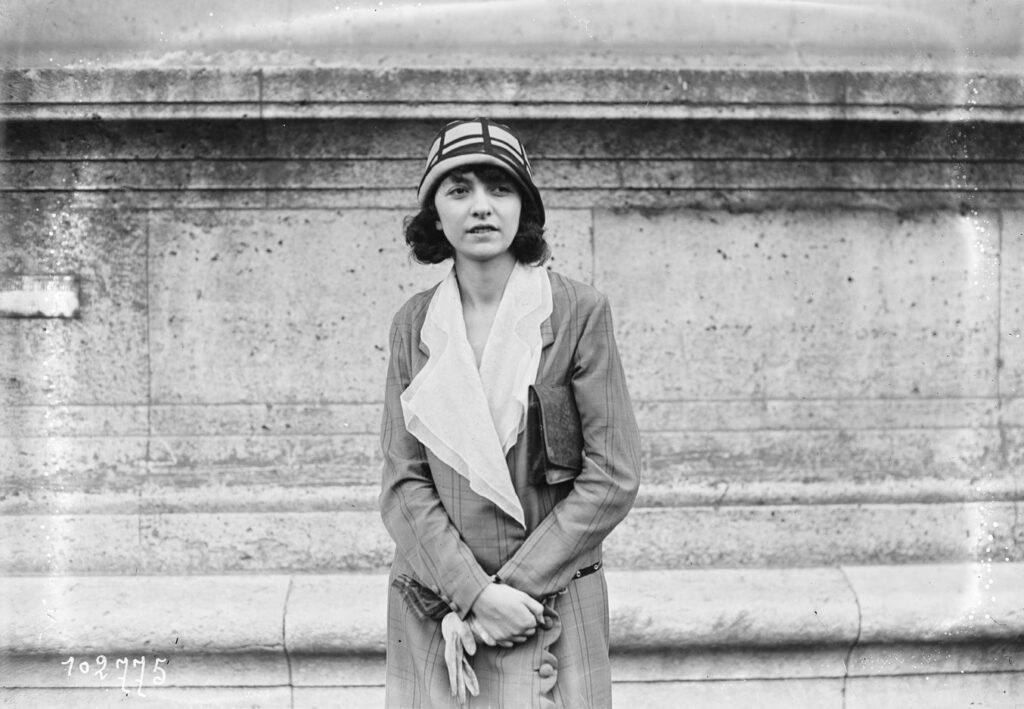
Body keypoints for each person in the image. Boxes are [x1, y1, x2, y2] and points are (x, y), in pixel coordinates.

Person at [379, 117, 641, 709]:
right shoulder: (413, 326)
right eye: (459, 189)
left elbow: (612, 475)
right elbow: (402, 481)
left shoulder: (576, 313)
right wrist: (473, 595)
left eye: (500, 189)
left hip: (546, 601)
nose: (481, 207)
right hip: (439, 602)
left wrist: (510, 595)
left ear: (525, 207)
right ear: (434, 216)